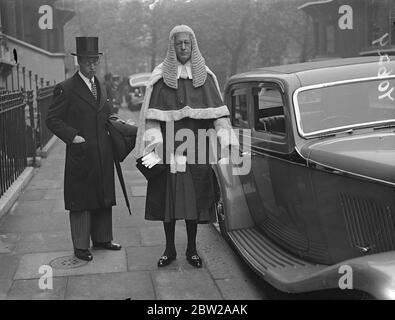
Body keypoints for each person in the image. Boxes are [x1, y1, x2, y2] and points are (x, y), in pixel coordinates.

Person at [134, 25, 238, 268]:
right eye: (179, 43)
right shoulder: (160, 77)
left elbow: (220, 116)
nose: (183, 47)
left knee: (194, 202)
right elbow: (150, 120)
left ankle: (192, 249)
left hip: (197, 148)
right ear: (172, 46)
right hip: (168, 148)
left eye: (187, 43)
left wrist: (228, 142)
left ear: (193, 45)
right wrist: (154, 149)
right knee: (168, 202)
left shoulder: (206, 76)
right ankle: (169, 249)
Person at [46, 37, 122, 262]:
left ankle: (102, 239)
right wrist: (73, 136)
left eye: (94, 61)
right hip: (81, 152)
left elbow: (106, 112)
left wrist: (116, 123)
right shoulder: (66, 89)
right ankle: (81, 246)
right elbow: (52, 119)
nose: (92, 65)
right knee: (82, 199)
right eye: (88, 61)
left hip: (102, 152)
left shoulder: (101, 85)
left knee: (103, 195)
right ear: (79, 61)